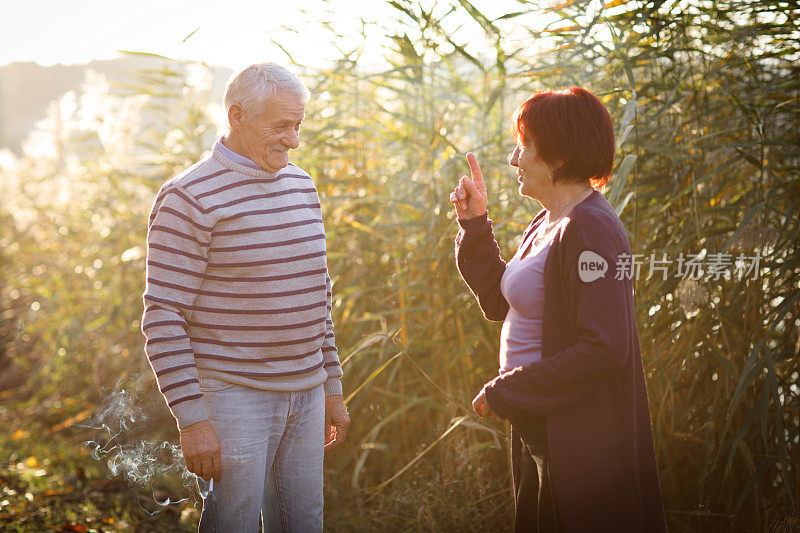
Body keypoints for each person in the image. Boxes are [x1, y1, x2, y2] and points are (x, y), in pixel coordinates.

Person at [141, 62, 350, 532]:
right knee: (231, 524)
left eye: (298, 125)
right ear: (237, 116)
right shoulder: (188, 197)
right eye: (280, 126)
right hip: (232, 396)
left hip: (307, 392)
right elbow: (163, 317)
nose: (294, 139)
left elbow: (318, 298)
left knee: (304, 523)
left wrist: (331, 386)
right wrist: (192, 420)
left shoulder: (302, 185)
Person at [450, 87, 666, 532]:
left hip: (576, 434)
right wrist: (475, 224)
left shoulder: (590, 229)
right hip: (540, 424)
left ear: (560, 154)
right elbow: (500, 302)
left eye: (524, 145)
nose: (514, 158)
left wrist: (509, 388)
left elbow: (605, 348)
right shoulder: (549, 221)